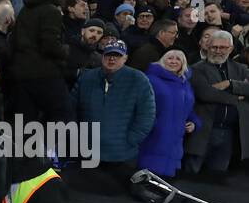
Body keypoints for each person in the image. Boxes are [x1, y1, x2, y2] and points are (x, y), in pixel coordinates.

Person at [72, 40, 156, 190]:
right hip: (89, 153)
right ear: (102, 56)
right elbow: (72, 108)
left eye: (117, 55)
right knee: (90, 197)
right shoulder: (87, 77)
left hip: (122, 155)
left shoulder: (138, 79)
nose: (112, 59)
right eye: (108, 55)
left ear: (125, 58)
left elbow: (147, 114)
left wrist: (131, 139)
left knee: (118, 199)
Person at [185, 29, 249, 177]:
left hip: (230, 134)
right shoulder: (196, 68)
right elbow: (206, 94)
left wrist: (230, 84)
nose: (217, 51)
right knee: (190, 176)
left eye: (222, 47)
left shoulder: (241, 69)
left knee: (217, 180)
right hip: (203, 131)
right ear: (208, 47)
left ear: (231, 49)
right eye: (214, 47)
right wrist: (236, 98)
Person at [138, 50, 198, 180]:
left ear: (183, 63)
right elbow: (140, 105)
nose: (174, 61)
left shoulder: (185, 84)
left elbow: (189, 109)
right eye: (170, 58)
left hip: (176, 140)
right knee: (149, 176)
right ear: (162, 60)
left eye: (178, 59)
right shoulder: (150, 79)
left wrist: (193, 122)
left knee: (166, 181)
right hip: (154, 135)